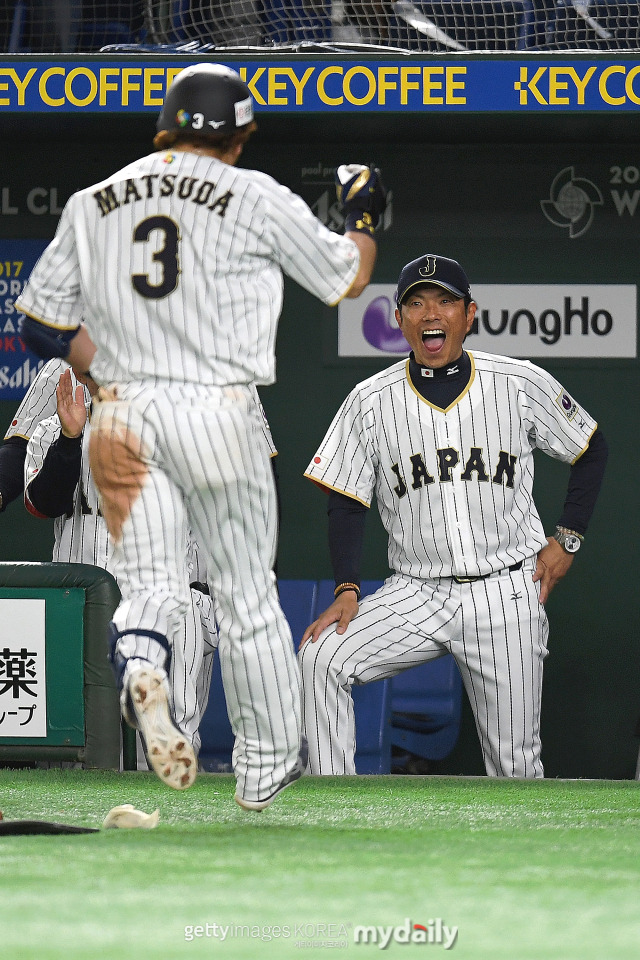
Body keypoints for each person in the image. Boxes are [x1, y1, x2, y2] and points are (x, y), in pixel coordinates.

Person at [15, 62, 387, 807]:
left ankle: (143, 665)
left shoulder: (95, 202)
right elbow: (349, 280)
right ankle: (258, 776)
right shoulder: (251, 192)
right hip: (216, 409)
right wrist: (365, 214)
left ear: (167, 125)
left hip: (124, 410)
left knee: (150, 588)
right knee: (244, 595)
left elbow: (40, 325)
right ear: (242, 133)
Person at [300, 252, 608, 778]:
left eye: (445, 301)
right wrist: (347, 587)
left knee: (515, 767)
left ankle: (522, 859)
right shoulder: (369, 400)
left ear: (470, 314)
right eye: (415, 303)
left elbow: (591, 447)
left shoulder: (516, 382)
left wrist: (568, 539)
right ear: (399, 319)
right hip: (415, 592)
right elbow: (346, 499)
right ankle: (336, 803)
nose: (430, 314)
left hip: (504, 590)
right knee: (321, 658)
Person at [23, 365, 219, 760]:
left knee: (168, 727)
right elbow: (42, 503)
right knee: (85, 740)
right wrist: (70, 438)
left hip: (164, 594)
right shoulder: (53, 428)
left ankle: (173, 776)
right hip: (81, 600)